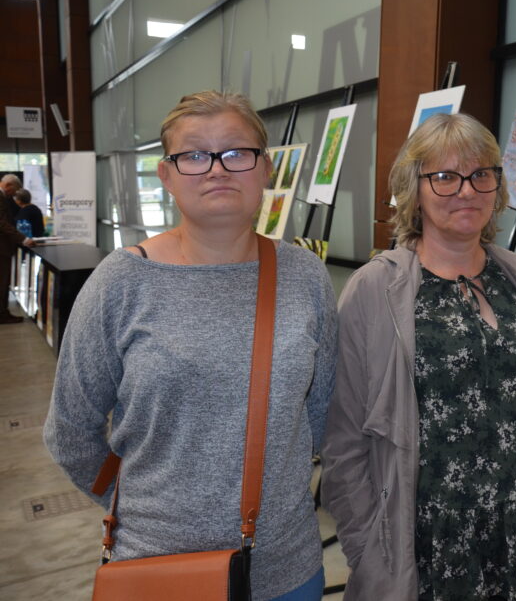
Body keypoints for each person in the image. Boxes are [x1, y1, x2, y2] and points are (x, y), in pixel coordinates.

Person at [43, 90, 338, 601]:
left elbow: (322, 415)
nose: (217, 169)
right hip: (159, 569)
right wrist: (140, 506)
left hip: (286, 567)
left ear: (265, 169)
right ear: (167, 175)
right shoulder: (122, 281)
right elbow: (70, 430)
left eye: (237, 152)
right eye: (195, 155)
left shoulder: (304, 276)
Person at [320, 113, 516, 600]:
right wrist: (366, 548)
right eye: (445, 177)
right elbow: (344, 440)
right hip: (434, 543)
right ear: (415, 189)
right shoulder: (376, 289)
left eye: (480, 174)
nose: (466, 191)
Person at [1, 174, 34, 323]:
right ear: (8, 185)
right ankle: (2, 315)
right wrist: (23, 239)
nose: (14, 195)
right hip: (1, 249)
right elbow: (2, 223)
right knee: (2, 281)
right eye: (14, 191)